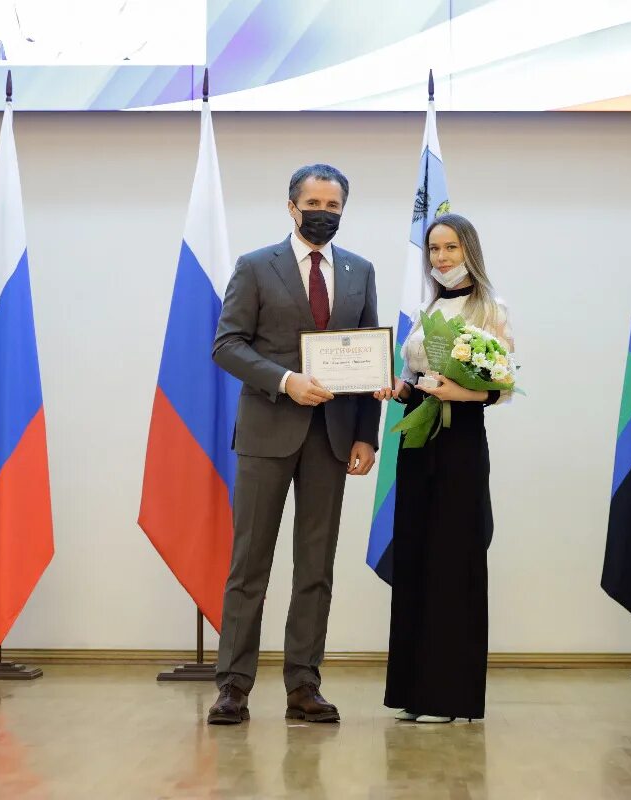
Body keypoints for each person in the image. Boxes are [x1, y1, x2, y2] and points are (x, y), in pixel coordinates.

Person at [208, 164, 382, 725]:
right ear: (291, 206)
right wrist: (286, 381)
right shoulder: (256, 266)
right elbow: (227, 345)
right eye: (314, 203)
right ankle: (233, 686)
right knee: (249, 565)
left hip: (332, 440)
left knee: (316, 567)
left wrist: (365, 434)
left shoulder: (360, 271)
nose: (323, 213)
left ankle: (304, 685)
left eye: (334, 205)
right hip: (266, 433)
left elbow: (370, 357)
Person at [374, 214, 514, 723]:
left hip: (460, 443)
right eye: (434, 249)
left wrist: (462, 392)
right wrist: (399, 388)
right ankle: (414, 692)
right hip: (417, 439)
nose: (441, 258)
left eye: (450, 248)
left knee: (455, 561)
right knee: (415, 556)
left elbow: (499, 385)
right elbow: (419, 378)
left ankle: (450, 697)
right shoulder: (427, 307)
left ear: (468, 251)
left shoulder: (491, 308)